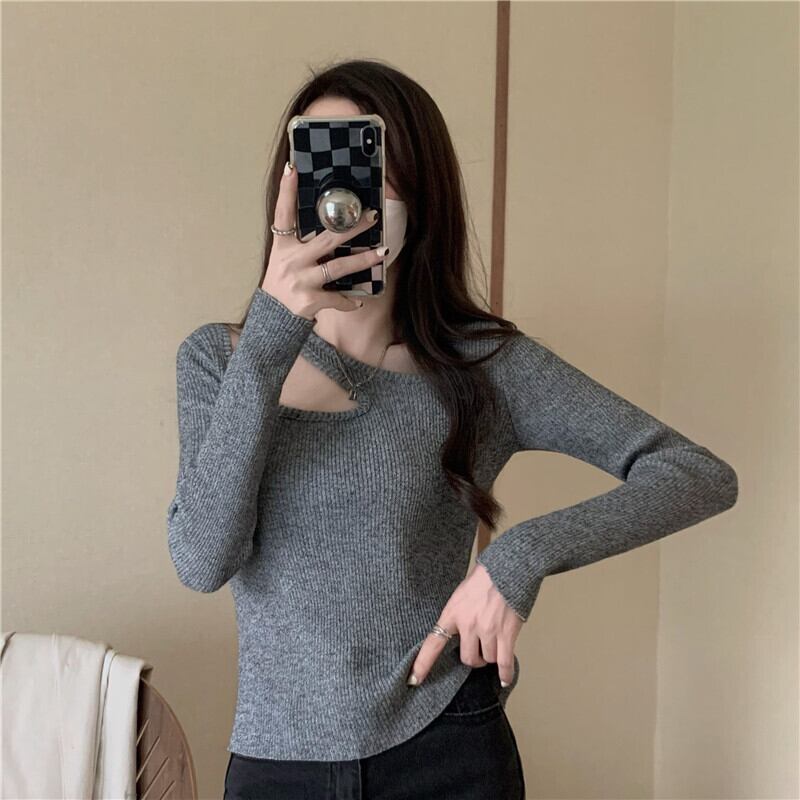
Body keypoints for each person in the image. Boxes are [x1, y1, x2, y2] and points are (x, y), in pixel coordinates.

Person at [166, 59, 738, 800]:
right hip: (277, 767)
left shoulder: (484, 365)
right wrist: (276, 326)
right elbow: (202, 559)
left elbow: (697, 474)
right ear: (288, 190)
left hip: (446, 749)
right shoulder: (221, 359)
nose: (342, 200)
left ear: (420, 191)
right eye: (319, 166)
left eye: (370, 168)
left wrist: (522, 556)